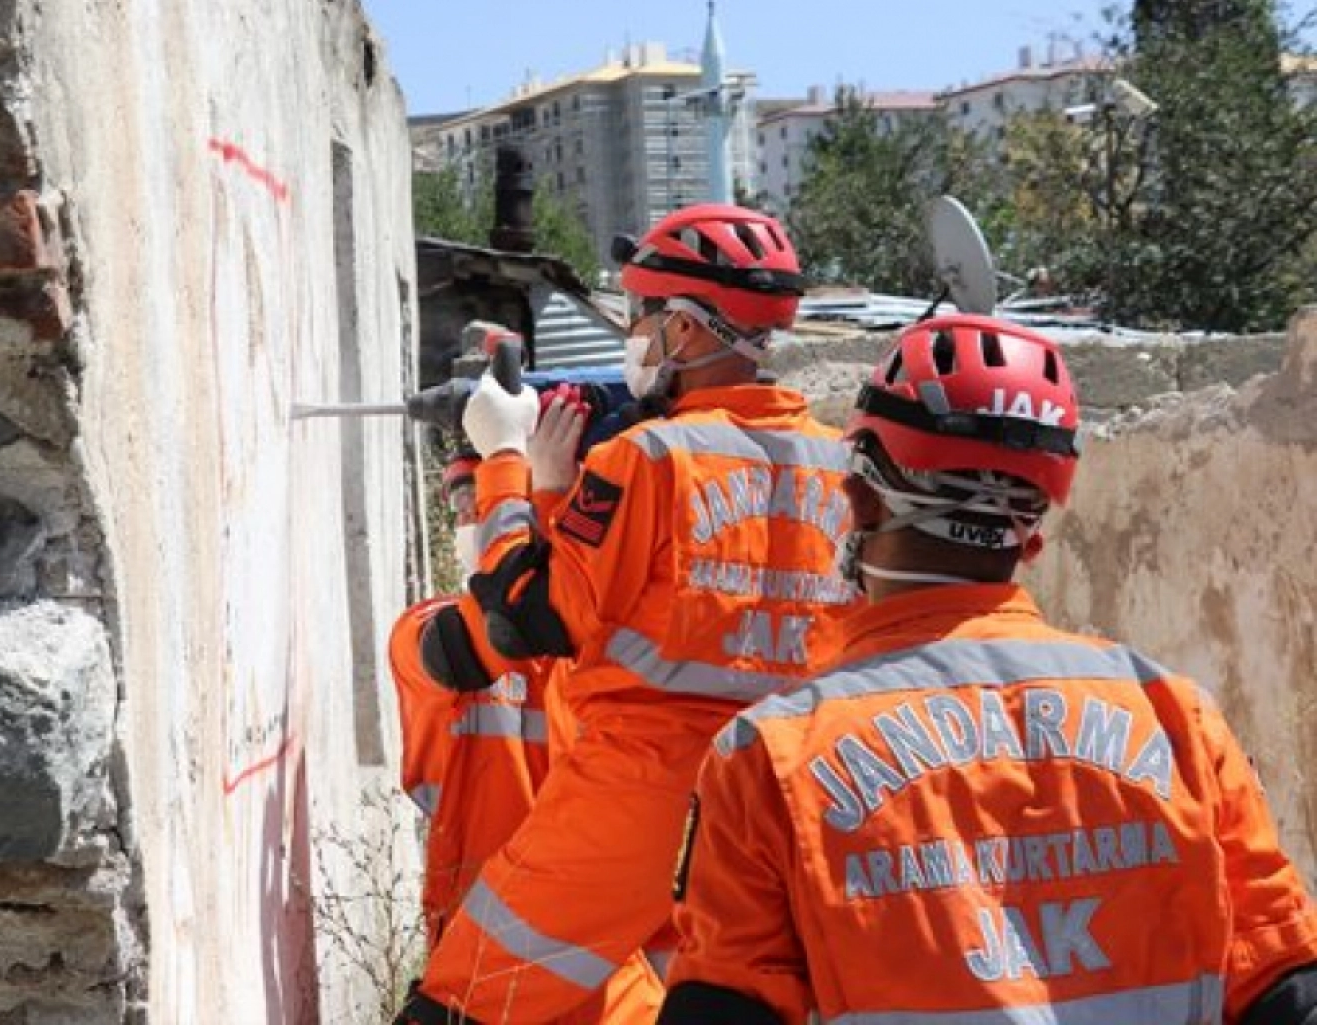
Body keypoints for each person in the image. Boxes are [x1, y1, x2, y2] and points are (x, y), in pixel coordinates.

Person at [661, 313, 1317, 1024]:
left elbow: (723, 1005)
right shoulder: (1175, 716)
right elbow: (1284, 987)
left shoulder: (769, 755)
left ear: (861, 499)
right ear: (1032, 536)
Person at [396, 203, 858, 1023]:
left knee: (468, 1001)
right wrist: (556, 489)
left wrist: (505, 462)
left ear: (682, 330)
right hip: (776, 812)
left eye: (640, 314)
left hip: (634, 804)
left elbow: (519, 623)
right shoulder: (839, 471)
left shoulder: (643, 459)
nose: (632, 332)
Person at [390, 449, 664, 1024]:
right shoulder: (431, 634)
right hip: (491, 977)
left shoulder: (611, 647)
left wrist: (508, 472)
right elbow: (474, 642)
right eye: (462, 504)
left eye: (477, 504)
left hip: (587, 990)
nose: (468, 518)